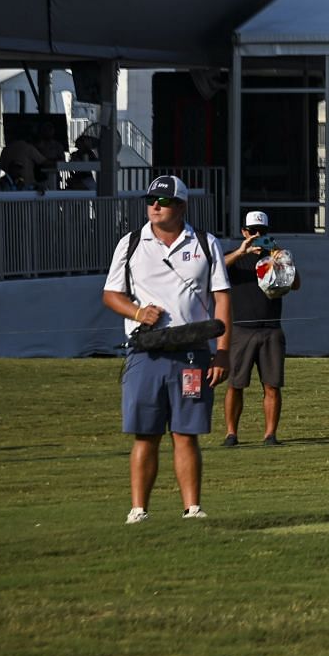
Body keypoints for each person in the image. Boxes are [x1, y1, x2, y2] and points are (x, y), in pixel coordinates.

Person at [102, 175, 231, 523]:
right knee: (145, 434)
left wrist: (223, 351)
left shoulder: (205, 243)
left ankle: (192, 508)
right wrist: (138, 312)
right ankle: (138, 509)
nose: (155, 206)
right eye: (151, 200)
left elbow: (221, 297)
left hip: (192, 351)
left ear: (182, 206)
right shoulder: (130, 243)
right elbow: (111, 294)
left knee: (186, 433)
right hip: (146, 352)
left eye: (164, 201)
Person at [221, 209, 300, 447]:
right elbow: (215, 269)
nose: (257, 235)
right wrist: (241, 251)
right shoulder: (234, 257)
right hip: (242, 329)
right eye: (253, 231)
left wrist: (280, 258)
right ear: (244, 232)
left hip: (271, 329)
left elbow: (296, 284)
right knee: (236, 384)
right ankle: (231, 433)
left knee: (272, 385)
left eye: (262, 232)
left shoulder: (276, 256)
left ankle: (270, 435)